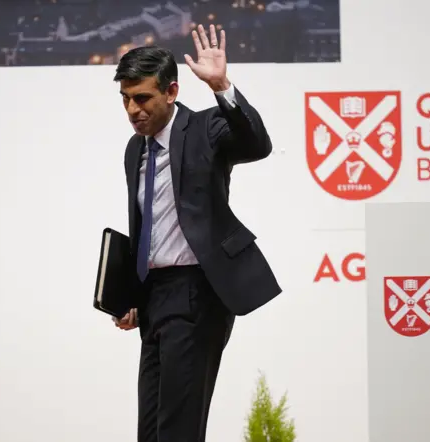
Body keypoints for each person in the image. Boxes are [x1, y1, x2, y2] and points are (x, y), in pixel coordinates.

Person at [111, 24, 282, 442]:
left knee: (179, 429)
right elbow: (145, 225)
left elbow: (257, 143)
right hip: (155, 296)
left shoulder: (207, 128)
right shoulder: (136, 147)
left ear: (171, 92)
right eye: (126, 100)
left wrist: (221, 85)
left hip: (198, 292)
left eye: (143, 98)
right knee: (150, 430)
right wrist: (130, 296)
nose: (133, 110)